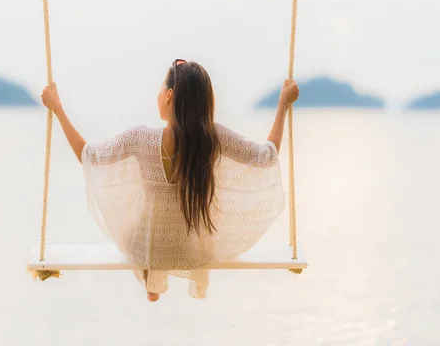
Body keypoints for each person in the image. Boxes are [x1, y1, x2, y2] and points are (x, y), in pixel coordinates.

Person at [41, 59, 300, 301]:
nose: (157, 94)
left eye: (160, 88)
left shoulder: (139, 138)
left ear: (169, 95)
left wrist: (58, 109)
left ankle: (152, 282)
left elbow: (89, 156)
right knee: (188, 222)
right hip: (194, 246)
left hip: (149, 247)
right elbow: (267, 156)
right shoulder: (213, 139)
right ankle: (160, 278)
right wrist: (282, 105)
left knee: (136, 227)